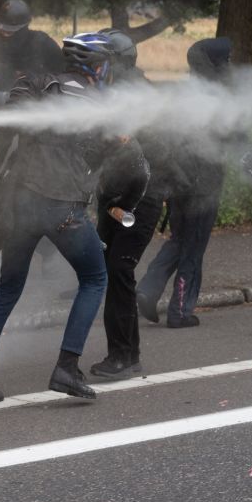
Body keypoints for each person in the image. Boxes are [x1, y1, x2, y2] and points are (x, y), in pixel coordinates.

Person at [0, 32, 148, 403]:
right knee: (94, 278)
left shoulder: (35, 82)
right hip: (61, 207)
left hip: (19, 205)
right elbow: (135, 168)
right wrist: (123, 202)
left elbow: (4, 128)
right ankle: (67, 368)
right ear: (100, 66)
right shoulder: (102, 107)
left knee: (7, 289)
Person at [135, 37, 231, 329]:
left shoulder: (182, 93)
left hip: (177, 183)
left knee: (178, 241)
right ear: (215, 63)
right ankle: (180, 311)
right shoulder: (219, 97)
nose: (229, 64)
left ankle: (147, 289)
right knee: (193, 248)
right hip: (203, 187)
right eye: (225, 59)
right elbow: (229, 136)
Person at [88, 28, 163, 378]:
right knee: (113, 270)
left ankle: (123, 356)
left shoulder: (131, 93)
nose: (96, 68)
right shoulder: (121, 89)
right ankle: (126, 353)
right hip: (118, 196)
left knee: (119, 268)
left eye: (101, 61)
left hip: (140, 198)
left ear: (115, 62)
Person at [0, 0, 63, 97]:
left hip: (42, 96)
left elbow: (61, 74)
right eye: (2, 30)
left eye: (9, 32)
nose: (3, 34)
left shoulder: (43, 43)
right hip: (12, 93)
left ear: (22, 29)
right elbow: (4, 74)